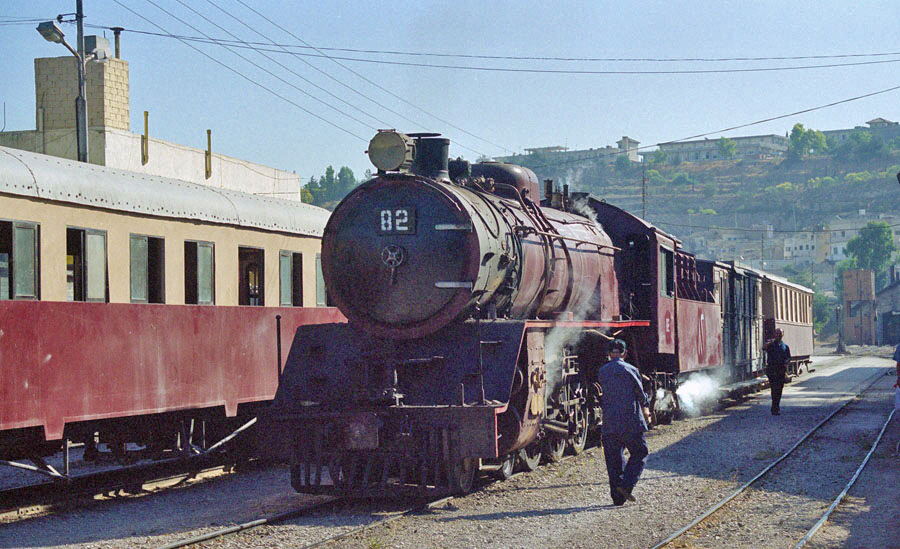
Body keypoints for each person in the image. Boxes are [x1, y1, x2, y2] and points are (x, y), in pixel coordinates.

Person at [596, 338, 651, 506]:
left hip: (610, 422)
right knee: (640, 452)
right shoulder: (631, 369)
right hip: (630, 420)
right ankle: (626, 486)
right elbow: (640, 393)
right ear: (625, 353)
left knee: (614, 459)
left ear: (608, 354)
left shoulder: (602, 371)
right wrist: (646, 408)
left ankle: (617, 498)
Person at [764, 328, 791, 415]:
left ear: (782, 334)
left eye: (780, 333)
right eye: (777, 333)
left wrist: (786, 363)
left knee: (779, 389)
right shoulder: (771, 345)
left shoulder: (785, 346)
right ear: (774, 334)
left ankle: (776, 406)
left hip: (781, 370)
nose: (778, 335)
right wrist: (768, 343)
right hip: (772, 369)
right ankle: (774, 407)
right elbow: (763, 348)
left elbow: (788, 357)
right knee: (774, 388)